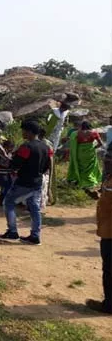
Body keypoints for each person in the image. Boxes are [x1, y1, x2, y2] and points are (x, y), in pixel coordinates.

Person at [0, 120, 51, 245]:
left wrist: (6, 158)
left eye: (23, 130)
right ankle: (35, 236)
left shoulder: (26, 147)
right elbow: (47, 166)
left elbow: (15, 164)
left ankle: (12, 232)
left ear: (29, 132)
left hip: (24, 181)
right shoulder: (45, 147)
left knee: (8, 203)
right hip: (37, 181)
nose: (22, 133)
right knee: (34, 208)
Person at [86, 145, 112, 314]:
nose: (105, 162)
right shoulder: (109, 178)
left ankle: (109, 305)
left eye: (109, 159)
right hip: (106, 229)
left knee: (109, 269)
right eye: (105, 158)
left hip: (110, 233)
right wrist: (99, 194)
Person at [67, 121, 104, 191]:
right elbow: (100, 144)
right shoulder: (94, 133)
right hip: (90, 153)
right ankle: (89, 181)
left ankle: (81, 180)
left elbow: (73, 143)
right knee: (90, 167)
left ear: (82, 126)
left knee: (81, 167)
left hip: (80, 152)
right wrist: (93, 148)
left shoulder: (76, 133)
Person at [0, 139, 15, 206]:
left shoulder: (11, 154)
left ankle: (2, 200)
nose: (11, 149)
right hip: (2, 172)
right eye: (10, 147)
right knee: (5, 186)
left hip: (9, 173)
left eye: (12, 148)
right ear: (6, 147)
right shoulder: (0, 153)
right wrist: (2, 162)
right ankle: (3, 200)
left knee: (9, 186)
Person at [38, 128, 56, 208]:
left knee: (43, 186)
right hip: (44, 166)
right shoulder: (46, 142)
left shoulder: (45, 143)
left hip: (44, 167)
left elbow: (50, 158)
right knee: (44, 185)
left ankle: (41, 204)